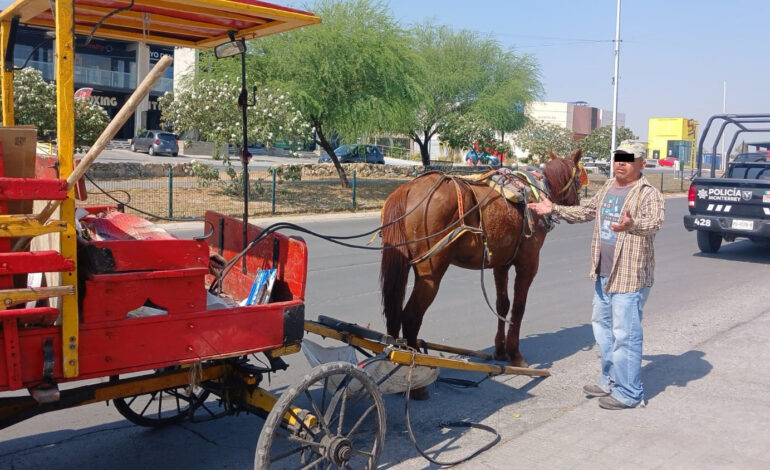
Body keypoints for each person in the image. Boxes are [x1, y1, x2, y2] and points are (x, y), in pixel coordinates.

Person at [527, 142, 665, 410]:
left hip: (629, 276)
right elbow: (586, 211)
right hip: (603, 272)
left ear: (641, 164)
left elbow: (654, 222)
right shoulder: (608, 188)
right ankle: (610, 379)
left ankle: (630, 393)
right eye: (617, 158)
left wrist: (632, 225)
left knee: (625, 334)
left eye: (628, 159)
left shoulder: (649, 194)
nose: (620, 163)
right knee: (603, 330)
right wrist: (553, 209)